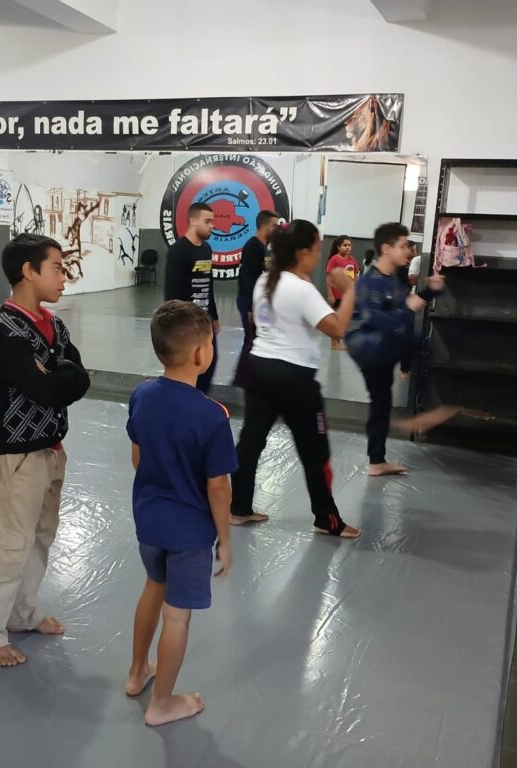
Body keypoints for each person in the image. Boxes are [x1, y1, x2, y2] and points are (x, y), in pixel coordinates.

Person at [0, 233, 90, 668]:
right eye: (56, 267)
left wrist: (57, 376)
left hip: (52, 447)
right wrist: (57, 377)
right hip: (18, 453)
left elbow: (80, 378)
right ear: (28, 271)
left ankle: (22, 612)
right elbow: (43, 389)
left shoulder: (55, 326)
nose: (64, 277)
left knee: (41, 536)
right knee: (11, 543)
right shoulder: (7, 328)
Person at [125, 300, 236, 726]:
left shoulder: (142, 395)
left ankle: (137, 672)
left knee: (153, 587)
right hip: (189, 533)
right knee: (177, 616)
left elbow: (137, 458)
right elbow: (218, 488)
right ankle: (162, 704)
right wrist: (225, 539)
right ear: (201, 354)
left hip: (149, 521)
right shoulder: (211, 417)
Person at [231, 220, 361, 539]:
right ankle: (327, 519)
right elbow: (337, 329)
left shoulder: (265, 281)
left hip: (258, 368)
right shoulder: (301, 290)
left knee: (250, 442)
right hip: (294, 379)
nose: (318, 255)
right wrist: (349, 291)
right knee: (314, 451)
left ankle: (239, 508)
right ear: (302, 253)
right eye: (316, 249)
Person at [345, 223, 444, 477]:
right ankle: (412, 420)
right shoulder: (370, 282)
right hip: (369, 348)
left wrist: (428, 292)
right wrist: (412, 304)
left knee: (381, 402)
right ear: (386, 249)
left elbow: (403, 310)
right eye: (403, 246)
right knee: (416, 346)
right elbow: (382, 320)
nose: (408, 250)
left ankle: (377, 462)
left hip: (382, 346)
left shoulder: (393, 279)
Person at [164, 203, 220, 393]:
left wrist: (214, 316)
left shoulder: (206, 249)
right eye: (207, 221)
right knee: (189, 371)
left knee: (209, 364)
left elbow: (208, 284)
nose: (211, 226)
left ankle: (200, 400)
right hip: (187, 326)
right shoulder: (178, 251)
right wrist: (176, 328)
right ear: (193, 221)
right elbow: (171, 294)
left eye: (212, 221)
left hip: (205, 322)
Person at [234, 210, 279, 384]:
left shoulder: (264, 247)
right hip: (249, 302)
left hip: (258, 302)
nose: (276, 229)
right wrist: (250, 308)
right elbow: (247, 278)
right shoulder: (252, 246)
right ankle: (241, 378)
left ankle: (247, 376)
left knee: (254, 338)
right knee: (251, 339)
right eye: (274, 226)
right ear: (265, 226)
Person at [325, 236, 360, 350]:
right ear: (338, 247)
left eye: (349, 245)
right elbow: (329, 279)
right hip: (337, 295)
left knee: (344, 320)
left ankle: (338, 341)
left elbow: (355, 274)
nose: (348, 247)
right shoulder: (334, 259)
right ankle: (334, 343)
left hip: (347, 295)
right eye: (345, 245)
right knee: (336, 319)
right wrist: (330, 294)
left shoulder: (352, 260)